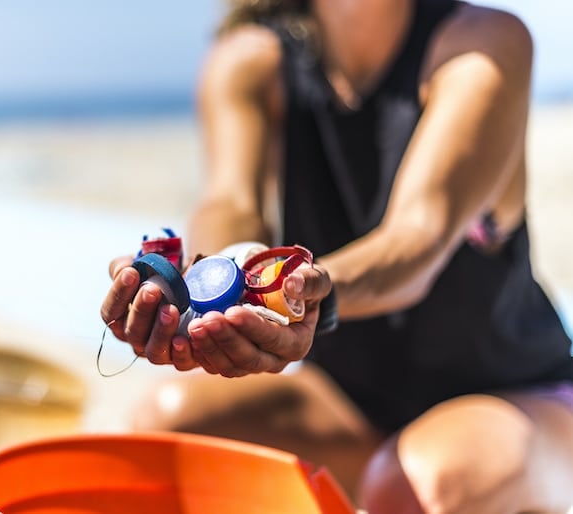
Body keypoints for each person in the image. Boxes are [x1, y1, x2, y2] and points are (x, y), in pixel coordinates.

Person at [100, 0, 573, 511]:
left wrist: (302, 291)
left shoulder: (485, 41)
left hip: (517, 396)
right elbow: (230, 202)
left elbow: (418, 237)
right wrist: (208, 286)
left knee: (414, 483)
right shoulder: (252, 61)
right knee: (160, 434)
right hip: (356, 405)